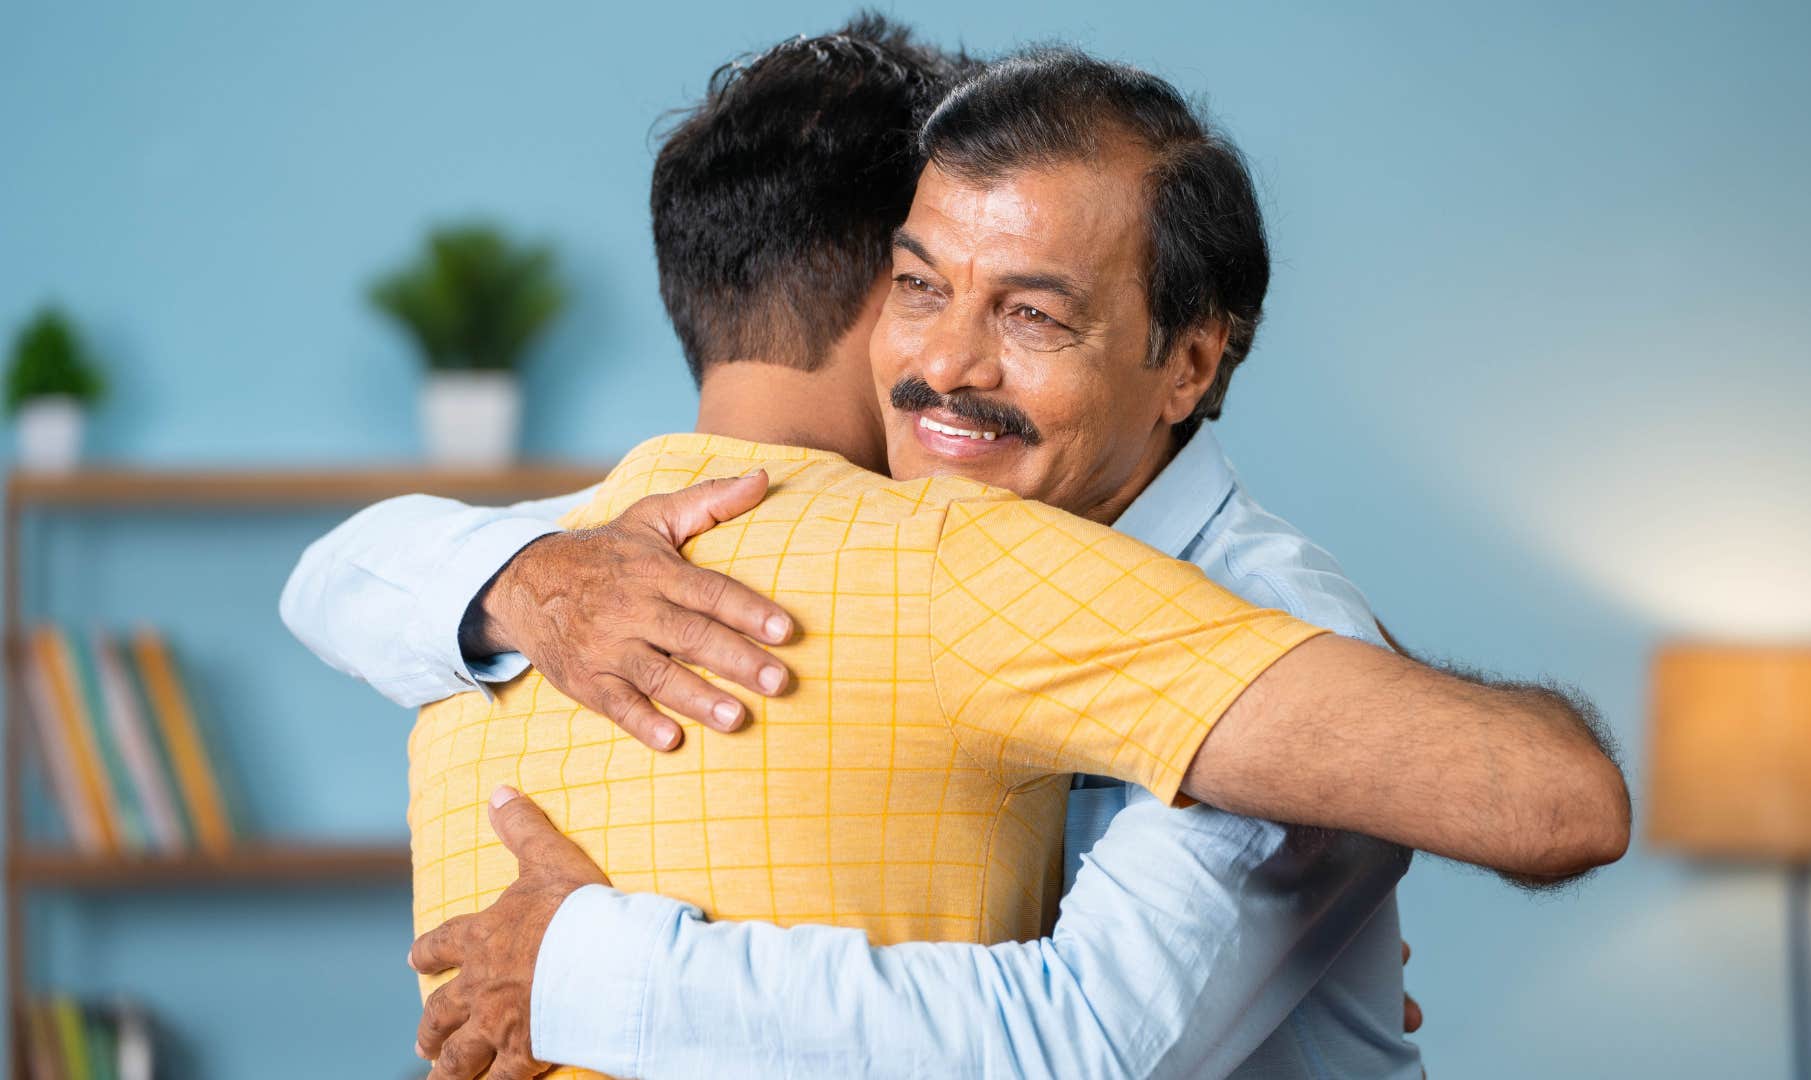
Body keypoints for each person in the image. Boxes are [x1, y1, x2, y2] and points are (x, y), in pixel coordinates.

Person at [283, 24, 1627, 1080]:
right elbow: (339, 575)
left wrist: (591, 973)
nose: (943, 369)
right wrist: (521, 583)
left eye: (1032, 315)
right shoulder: (768, 562)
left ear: (1189, 363)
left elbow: (1078, 1046)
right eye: (920, 288)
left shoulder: (1247, 616)